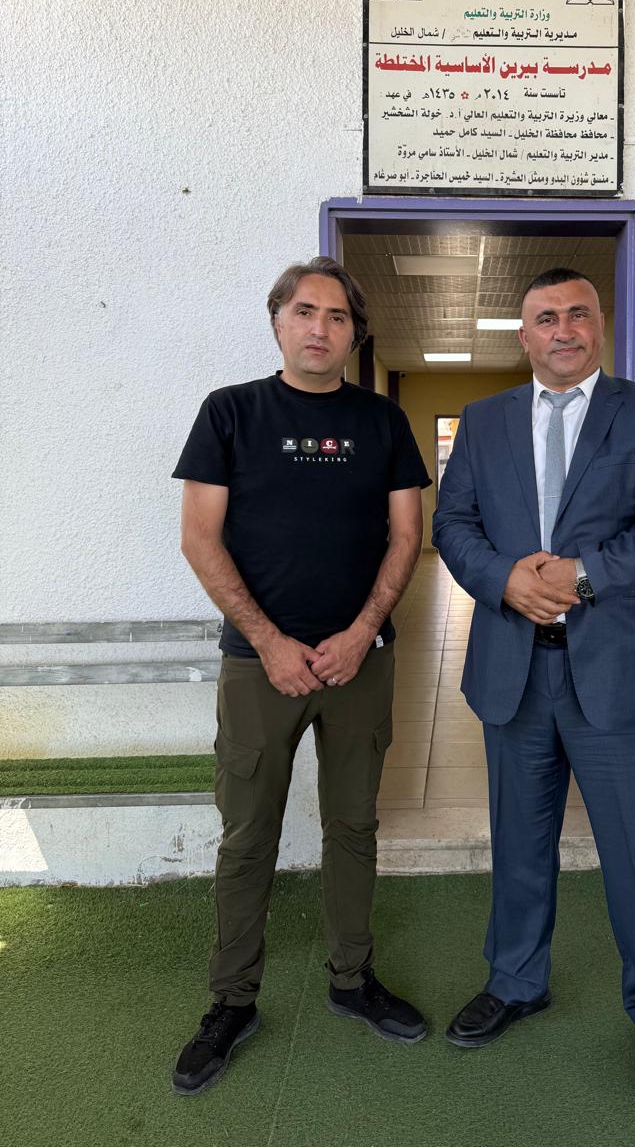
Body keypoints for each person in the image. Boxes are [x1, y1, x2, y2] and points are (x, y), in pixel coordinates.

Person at [433, 268, 635, 1105]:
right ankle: (516, 981)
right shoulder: (484, 420)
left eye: (578, 314)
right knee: (519, 841)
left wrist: (582, 575)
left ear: (600, 326)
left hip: (617, 670)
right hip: (514, 668)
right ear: (524, 335)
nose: (563, 329)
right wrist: (504, 580)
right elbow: (453, 522)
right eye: (546, 317)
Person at [170, 256, 431, 1095]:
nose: (321, 327)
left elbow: (406, 536)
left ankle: (352, 979)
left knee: (354, 826)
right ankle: (232, 1001)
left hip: (360, 662)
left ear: (355, 334)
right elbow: (200, 538)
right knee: (248, 835)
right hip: (259, 667)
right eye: (306, 311)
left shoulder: (382, 422)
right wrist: (271, 642)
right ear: (278, 321)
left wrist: (360, 633)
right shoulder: (230, 412)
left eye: (338, 316)